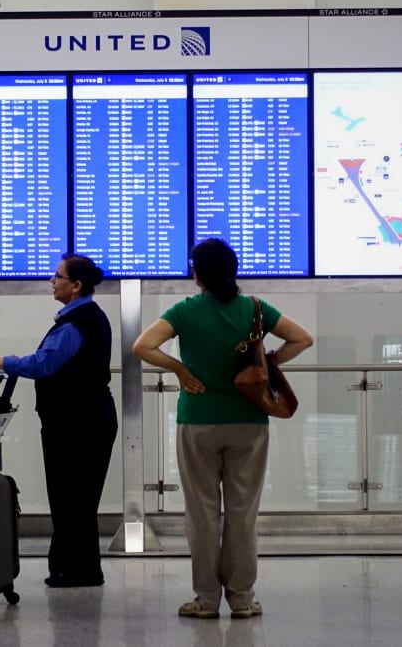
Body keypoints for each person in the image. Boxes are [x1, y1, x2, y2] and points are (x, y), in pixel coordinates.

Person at [133, 238, 313, 621]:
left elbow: (143, 346)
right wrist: (270, 361)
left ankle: (207, 599)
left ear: (197, 274)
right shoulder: (255, 309)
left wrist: (180, 370)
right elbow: (303, 338)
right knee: (243, 512)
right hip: (249, 419)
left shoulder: (185, 311)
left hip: (198, 419)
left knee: (202, 513)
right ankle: (243, 599)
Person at [0, 253, 117, 588]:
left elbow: (45, 364)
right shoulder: (87, 318)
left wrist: (5, 362)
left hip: (77, 422)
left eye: (58, 276)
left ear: (75, 286)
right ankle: (80, 568)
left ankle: (75, 570)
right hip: (87, 418)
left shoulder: (77, 323)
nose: (52, 280)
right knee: (78, 497)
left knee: (71, 495)